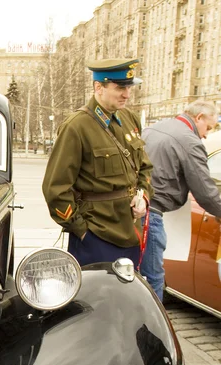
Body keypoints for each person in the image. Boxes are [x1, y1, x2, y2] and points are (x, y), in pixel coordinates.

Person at [42, 58, 153, 267]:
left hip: (131, 231)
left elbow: (145, 167)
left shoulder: (129, 118)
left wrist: (144, 198)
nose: (127, 94)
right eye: (120, 87)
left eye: (129, 87)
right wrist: (82, 231)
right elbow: (55, 189)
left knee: (128, 296)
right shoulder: (77, 126)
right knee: (94, 298)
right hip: (97, 235)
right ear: (98, 87)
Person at [140, 100, 221, 301]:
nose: (206, 135)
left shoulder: (155, 127)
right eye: (208, 128)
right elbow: (206, 193)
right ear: (199, 117)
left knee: (133, 273)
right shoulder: (189, 141)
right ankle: (153, 329)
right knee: (154, 277)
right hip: (153, 213)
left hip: (136, 208)